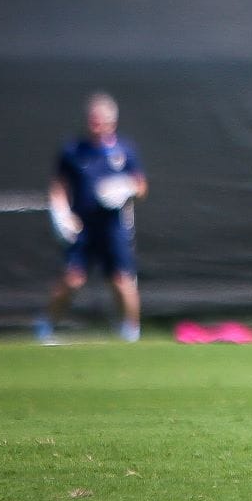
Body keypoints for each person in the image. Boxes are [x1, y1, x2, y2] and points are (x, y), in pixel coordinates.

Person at [38, 92, 149, 343]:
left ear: (112, 122)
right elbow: (59, 186)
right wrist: (61, 215)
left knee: (123, 280)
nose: (95, 125)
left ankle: (131, 333)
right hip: (82, 227)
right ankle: (45, 328)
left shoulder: (125, 150)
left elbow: (141, 187)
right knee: (73, 279)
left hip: (113, 227)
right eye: (92, 120)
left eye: (101, 120)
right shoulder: (73, 150)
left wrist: (126, 188)